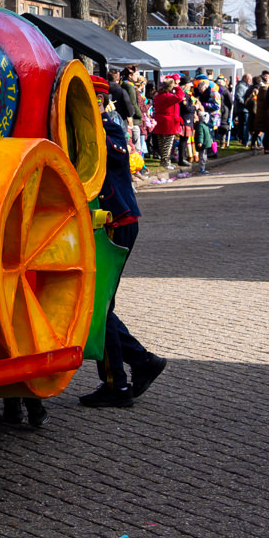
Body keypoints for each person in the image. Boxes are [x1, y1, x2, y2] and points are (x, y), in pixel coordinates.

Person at [81, 97, 168, 409]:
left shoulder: (108, 127)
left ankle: (117, 383)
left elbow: (109, 154)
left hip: (114, 224)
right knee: (100, 305)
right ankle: (141, 363)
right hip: (105, 223)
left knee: (99, 305)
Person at [252, 72, 269, 152]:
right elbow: (267, 104)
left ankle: (253, 144)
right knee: (267, 131)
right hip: (265, 116)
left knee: (257, 130)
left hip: (259, 115)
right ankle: (266, 147)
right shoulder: (265, 94)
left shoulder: (258, 94)